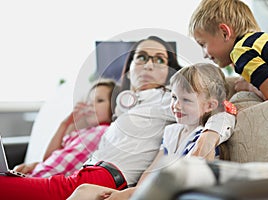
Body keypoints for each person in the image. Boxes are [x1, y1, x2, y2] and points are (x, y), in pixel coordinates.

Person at [0, 36, 233, 200]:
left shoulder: (167, 100)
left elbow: (218, 109)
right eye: (141, 57)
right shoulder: (124, 107)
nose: (149, 64)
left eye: (159, 59)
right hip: (85, 175)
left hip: (106, 178)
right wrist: (40, 167)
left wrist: (210, 136)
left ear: (168, 72)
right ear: (129, 69)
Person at [66, 63, 236, 200]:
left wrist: (128, 194)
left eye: (186, 100)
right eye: (174, 97)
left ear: (210, 105)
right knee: (85, 190)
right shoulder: (172, 132)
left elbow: (189, 181)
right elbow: (150, 172)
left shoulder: (202, 136)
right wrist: (130, 193)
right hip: (150, 191)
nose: (176, 105)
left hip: (173, 193)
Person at [189, 0, 268, 100]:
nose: (204, 55)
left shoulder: (241, 52)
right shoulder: (260, 43)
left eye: (203, 44)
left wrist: (249, 86)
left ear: (225, 33)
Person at [13, 79, 117, 177]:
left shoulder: (105, 132)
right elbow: (48, 158)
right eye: (89, 101)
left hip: (43, 180)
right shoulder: (81, 133)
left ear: (114, 105)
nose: (90, 105)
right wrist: (64, 124)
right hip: (36, 176)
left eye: (99, 100)